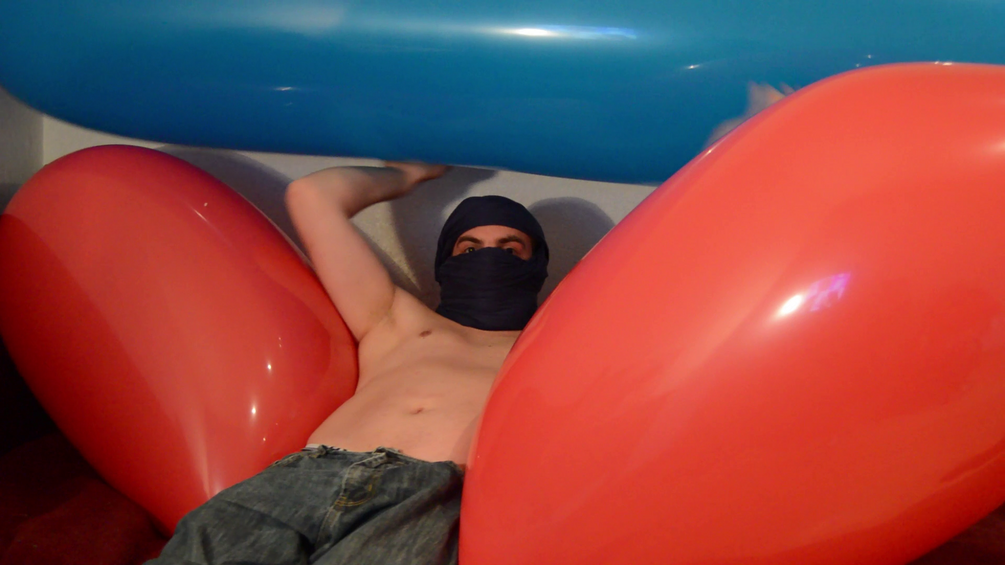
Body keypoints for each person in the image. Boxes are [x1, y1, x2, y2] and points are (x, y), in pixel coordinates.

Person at [148, 162, 549, 565]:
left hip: (425, 499)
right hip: (303, 477)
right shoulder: (397, 317)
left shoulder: (545, 348)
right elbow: (312, 196)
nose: (489, 258)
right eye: (470, 248)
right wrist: (408, 175)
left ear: (537, 265)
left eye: (510, 249)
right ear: (447, 261)